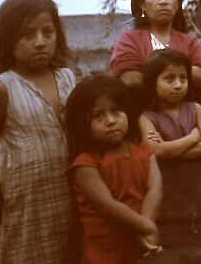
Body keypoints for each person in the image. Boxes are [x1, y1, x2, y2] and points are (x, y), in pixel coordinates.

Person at [0, 0, 75, 263]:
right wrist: (3, 211)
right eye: (28, 34)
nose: (40, 42)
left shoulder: (68, 79)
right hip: (26, 213)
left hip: (73, 203)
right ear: (8, 40)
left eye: (47, 32)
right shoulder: (3, 88)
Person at [138, 49, 201, 245]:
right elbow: (156, 151)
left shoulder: (196, 109)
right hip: (170, 197)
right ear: (152, 82)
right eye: (169, 79)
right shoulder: (147, 118)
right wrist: (193, 137)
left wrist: (170, 150)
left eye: (183, 78)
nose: (178, 85)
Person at [66, 75, 163, 263]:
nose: (110, 121)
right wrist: (146, 227)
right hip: (105, 250)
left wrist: (146, 226)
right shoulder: (86, 163)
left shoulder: (145, 152)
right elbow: (107, 205)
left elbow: (155, 191)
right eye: (98, 115)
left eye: (116, 111)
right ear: (82, 124)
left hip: (142, 243)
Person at [109, 0, 201, 106]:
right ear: (142, 4)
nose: (163, 1)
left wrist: (150, 72)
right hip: (143, 119)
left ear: (177, 4)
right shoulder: (129, 39)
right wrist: (181, 75)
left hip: (189, 122)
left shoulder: (190, 42)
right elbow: (129, 79)